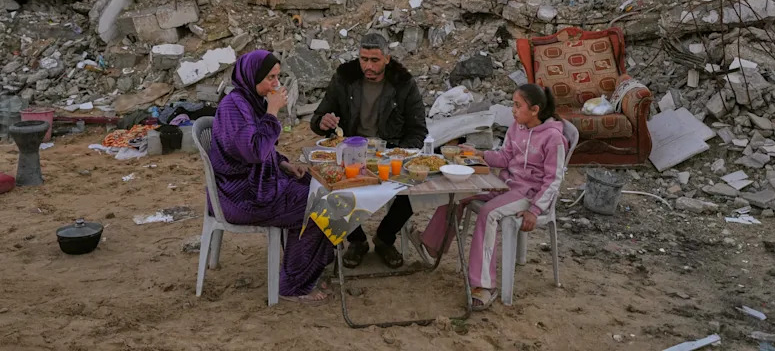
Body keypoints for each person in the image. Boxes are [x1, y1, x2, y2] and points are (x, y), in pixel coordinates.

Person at [413, 83, 567, 311]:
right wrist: (479, 154)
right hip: (505, 184)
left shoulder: (553, 138)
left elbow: (553, 179)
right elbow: (505, 157)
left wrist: (535, 210)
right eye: (513, 104)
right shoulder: (517, 127)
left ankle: (485, 285)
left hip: (528, 194)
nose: (513, 110)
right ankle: (432, 245)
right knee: (458, 193)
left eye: (518, 106)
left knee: (488, 214)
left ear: (535, 110)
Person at [208, 49, 335, 304]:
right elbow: (254, 151)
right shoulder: (234, 107)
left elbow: (264, 152)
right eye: (270, 78)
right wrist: (273, 111)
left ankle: (309, 264)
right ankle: (293, 286)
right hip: (240, 196)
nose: (276, 84)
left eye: (278, 77)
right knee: (318, 204)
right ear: (251, 76)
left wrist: (285, 164)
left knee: (315, 184)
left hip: (254, 184)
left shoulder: (249, 100)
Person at [311, 32, 426, 269]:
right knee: (329, 189)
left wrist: (400, 153)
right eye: (364, 59)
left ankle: (385, 237)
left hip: (389, 152)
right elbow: (319, 117)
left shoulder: (403, 83)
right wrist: (323, 122)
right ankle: (356, 240)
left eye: (374, 60)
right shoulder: (345, 78)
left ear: (387, 59)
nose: (368, 66)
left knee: (417, 189)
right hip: (351, 151)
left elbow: (418, 130)